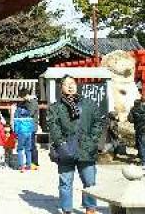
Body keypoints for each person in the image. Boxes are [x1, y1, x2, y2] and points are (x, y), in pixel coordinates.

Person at [47, 75, 105, 214]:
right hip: (66, 149)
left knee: (89, 181)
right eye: (67, 84)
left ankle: (90, 207)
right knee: (65, 182)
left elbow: (98, 122)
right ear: (61, 88)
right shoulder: (56, 107)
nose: (70, 86)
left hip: (86, 148)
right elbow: (53, 127)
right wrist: (61, 144)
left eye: (72, 83)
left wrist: (92, 140)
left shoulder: (88, 104)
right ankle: (67, 209)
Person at [19, 88, 40, 169]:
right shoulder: (27, 102)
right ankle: (30, 162)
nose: (23, 98)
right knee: (28, 145)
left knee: (32, 145)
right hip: (27, 126)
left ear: (26, 95)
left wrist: (21, 112)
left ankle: (35, 163)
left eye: (23, 97)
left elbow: (30, 113)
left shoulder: (33, 102)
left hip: (31, 126)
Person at [13, 101, 35, 172]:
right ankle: (28, 165)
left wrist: (15, 134)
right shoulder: (29, 117)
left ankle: (21, 166)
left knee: (20, 149)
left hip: (21, 133)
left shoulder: (17, 117)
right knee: (28, 150)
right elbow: (32, 127)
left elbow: (16, 127)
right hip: (29, 133)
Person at [128, 87, 145, 168]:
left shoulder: (134, 109)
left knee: (142, 145)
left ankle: (144, 162)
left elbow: (130, 120)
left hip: (140, 129)